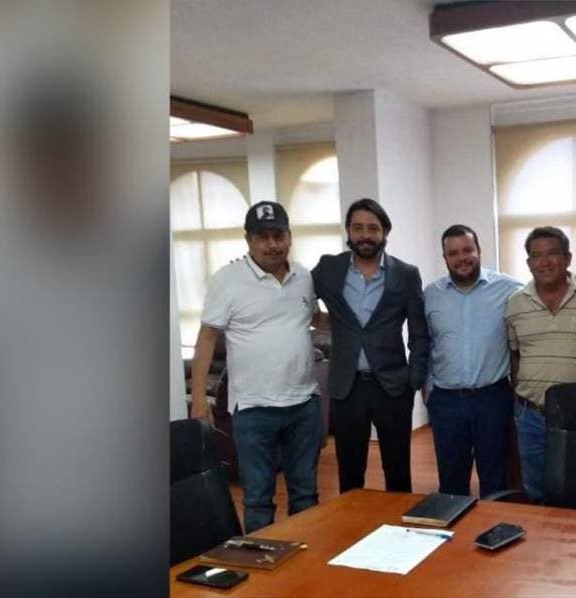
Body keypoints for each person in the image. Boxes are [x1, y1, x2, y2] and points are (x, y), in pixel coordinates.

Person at [190, 201, 322, 533]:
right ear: (248, 240)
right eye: (263, 237)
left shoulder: (304, 277)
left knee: (306, 495)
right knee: (259, 499)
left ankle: (308, 559)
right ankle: (261, 562)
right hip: (253, 409)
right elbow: (206, 339)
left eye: (278, 235)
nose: (272, 244)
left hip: (304, 404)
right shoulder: (227, 281)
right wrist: (199, 398)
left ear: (289, 237)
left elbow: (315, 319)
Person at [311, 198, 428, 493]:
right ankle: (354, 521)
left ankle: (398, 523)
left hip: (392, 386)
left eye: (373, 228)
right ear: (348, 231)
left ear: (385, 232)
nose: (365, 235)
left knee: (398, 470)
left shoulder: (406, 274)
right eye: (358, 227)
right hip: (347, 387)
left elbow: (419, 332)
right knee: (350, 472)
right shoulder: (329, 269)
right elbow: (295, 288)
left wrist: (414, 379)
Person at [505, 226, 576, 503]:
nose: (545, 262)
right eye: (537, 256)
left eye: (553, 254)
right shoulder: (515, 304)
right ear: (529, 263)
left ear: (568, 258)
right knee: (535, 488)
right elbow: (515, 354)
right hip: (530, 414)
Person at [423, 225, 521, 497]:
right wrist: (427, 387)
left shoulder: (509, 288)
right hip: (446, 402)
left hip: (492, 399)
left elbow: (544, 290)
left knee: (495, 480)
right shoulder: (431, 294)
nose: (461, 258)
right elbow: (425, 341)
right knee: (451, 484)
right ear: (445, 258)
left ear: (479, 251)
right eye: (453, 253)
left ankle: (493, 525)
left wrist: (575, 279)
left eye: (467, 250)